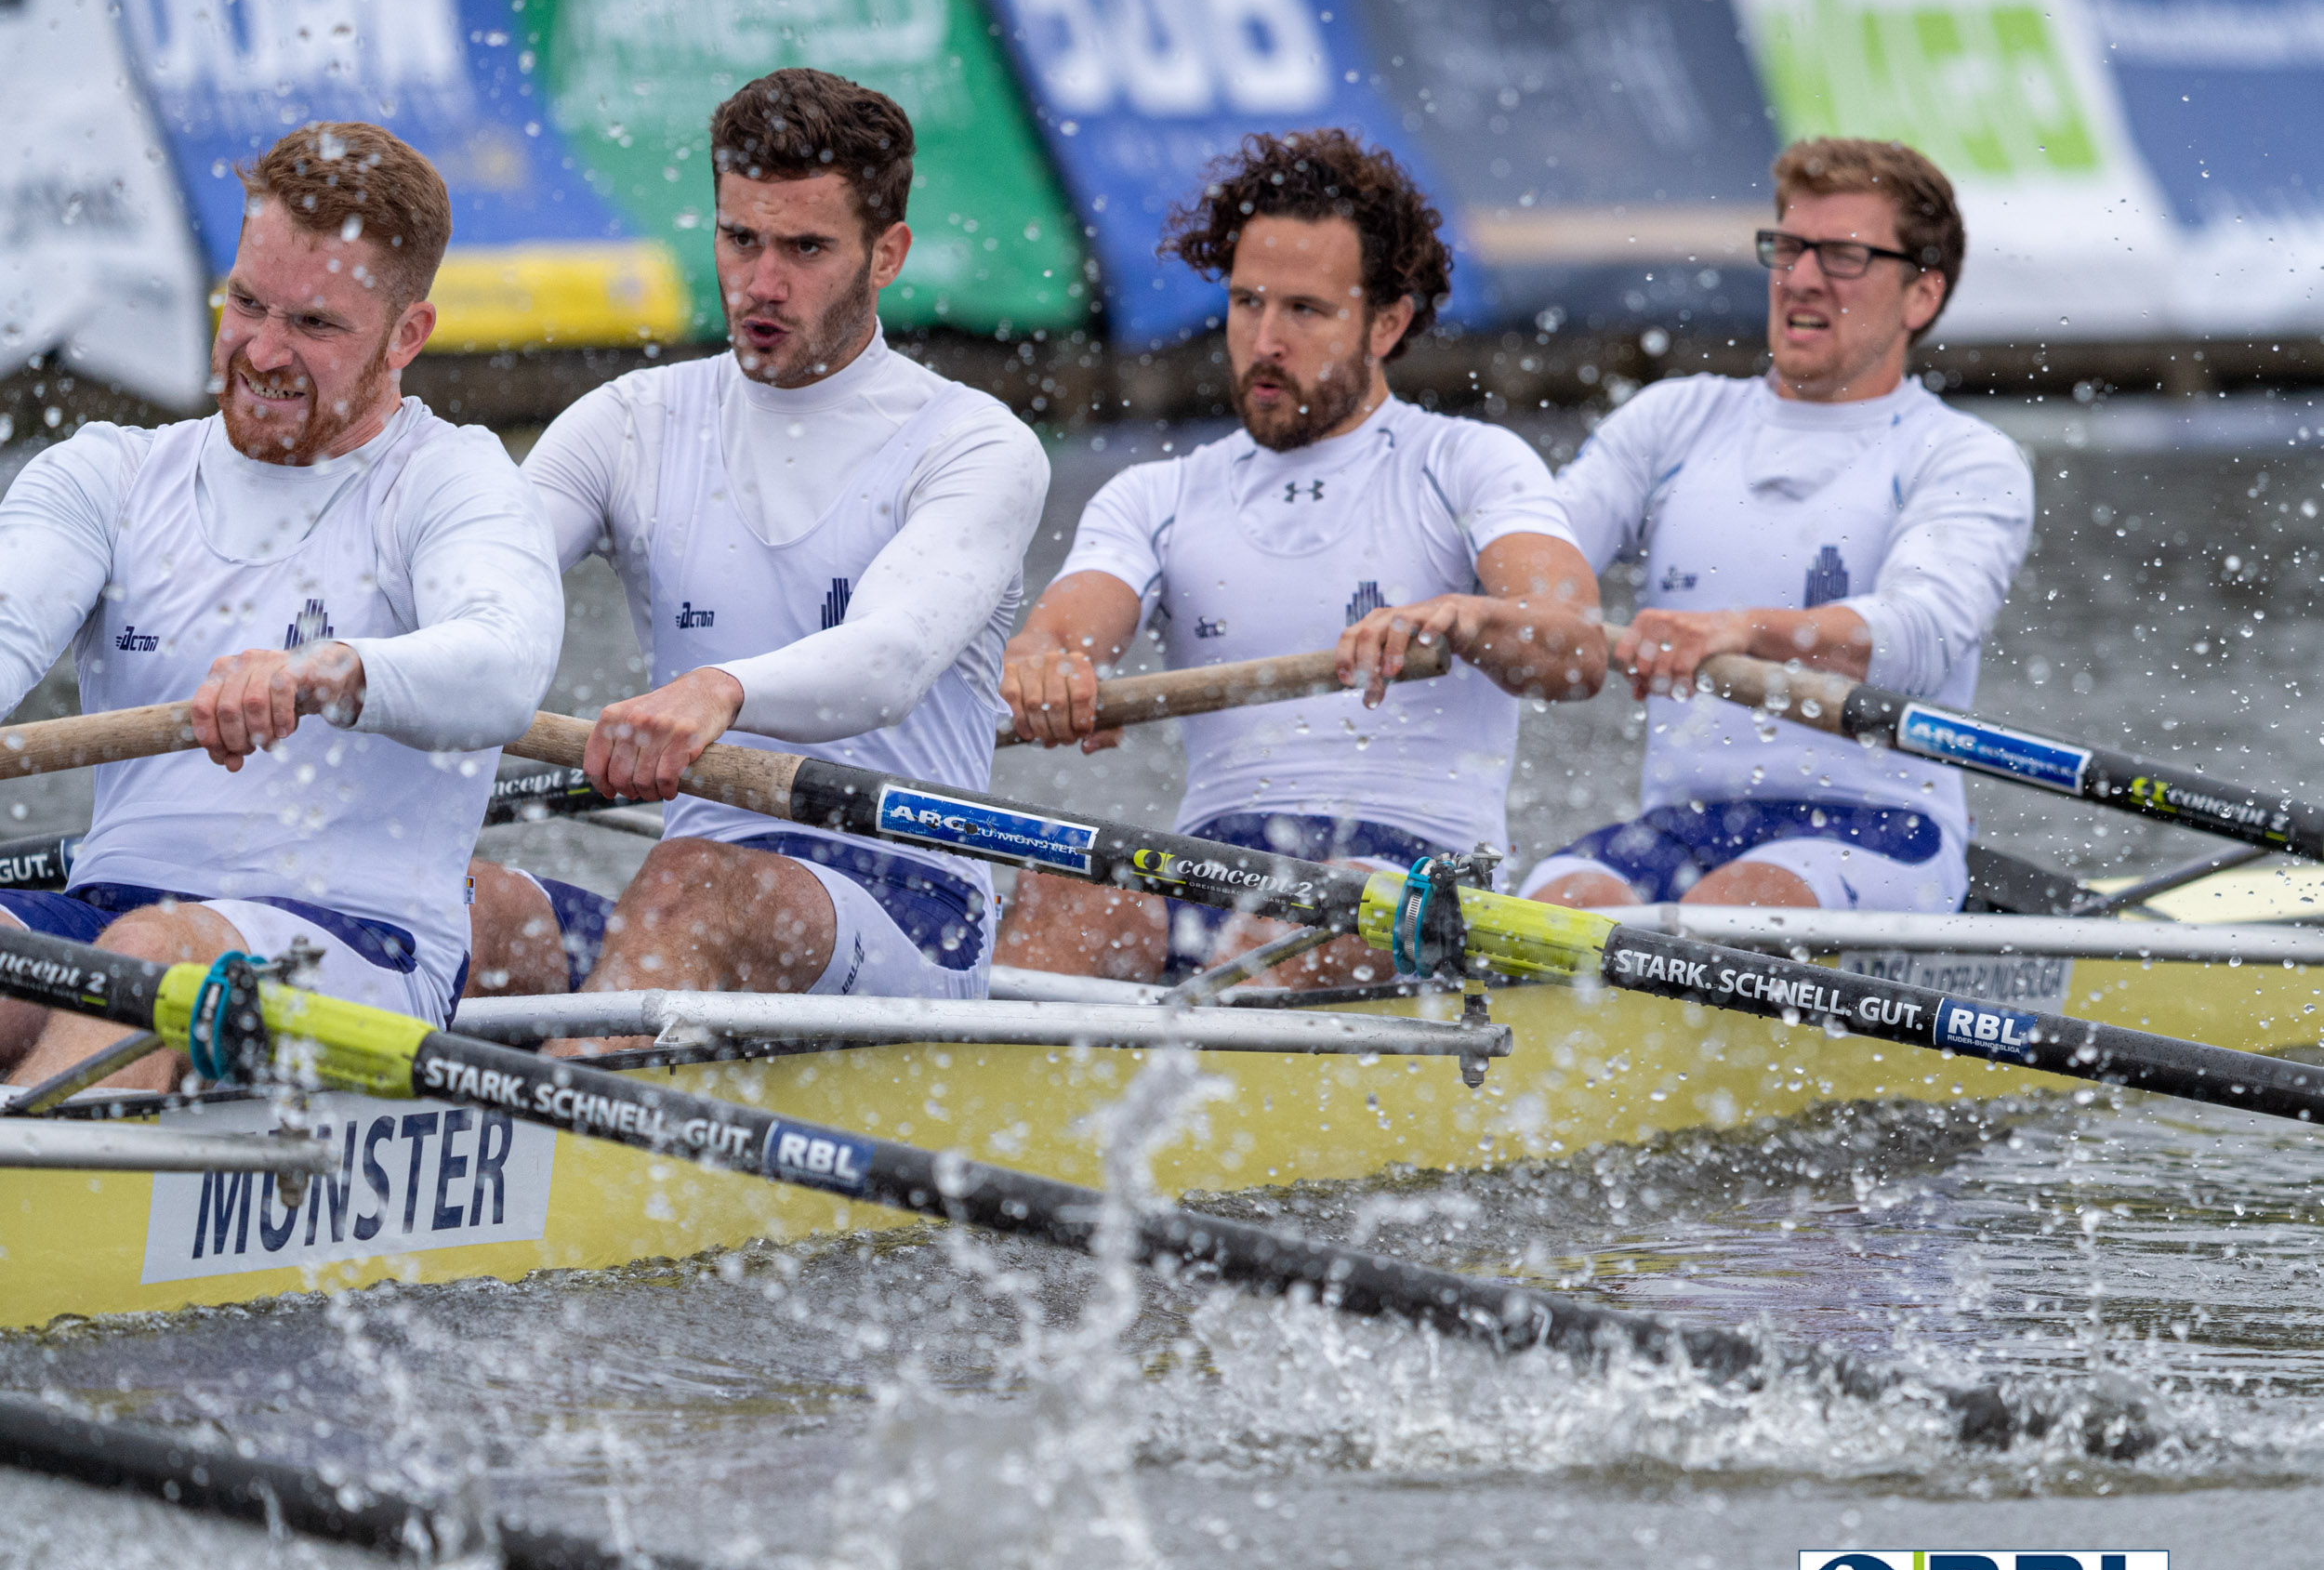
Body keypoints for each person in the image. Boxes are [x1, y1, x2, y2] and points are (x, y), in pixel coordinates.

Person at [465, 68, 1047, 1036]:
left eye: (806, 249)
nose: (761, 285)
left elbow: (890, 659)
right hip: (694, 898)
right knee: (464, 904)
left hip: (908, 910)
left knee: (693, 883)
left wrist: (720, 690)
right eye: (741, 240)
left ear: (888, 254)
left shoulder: (973, 447)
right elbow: (477, 597)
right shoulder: (628, 423)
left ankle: (588, 1159)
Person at [0, 122, 564, 1088]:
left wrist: (333, 673)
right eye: (247, 303)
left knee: (156, 957)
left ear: (407, 336)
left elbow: (504, 665)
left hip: (358, 946)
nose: (261, 351)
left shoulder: (452, 484)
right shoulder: (108, 475)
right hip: (114, 911)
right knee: (132, 947)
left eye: (312, 326)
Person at [996, 129, 1604, 989]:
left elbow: (1575, 647)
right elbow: (1060, 632)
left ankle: (1177, 1082)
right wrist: (1049, 670)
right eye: (1248, 304)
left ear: (1387, 324)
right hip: (1209, 869)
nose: (1265, 340)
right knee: (1063, 893)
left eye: (1305, 312)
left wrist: (1468, 618)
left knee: (1316, 913)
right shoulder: (1156, 494)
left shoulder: (1471, 463)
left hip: (1408, 884)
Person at [1518, 138, 2032, 916]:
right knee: (1550, 914)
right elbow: (1535, 550)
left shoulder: (1962, 456)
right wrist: (1481, 604)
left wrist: (1744, 631)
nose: (1801, 278)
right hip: (1681, 827)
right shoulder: (1673, 421)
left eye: (1844, 256)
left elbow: (1919, 636)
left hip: (1881, 829)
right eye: (1789, 248)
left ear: (1921, 296)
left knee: (1731, 909)